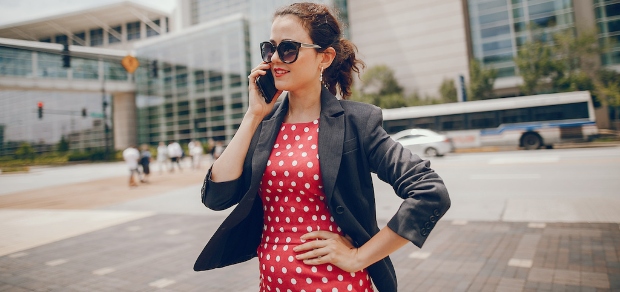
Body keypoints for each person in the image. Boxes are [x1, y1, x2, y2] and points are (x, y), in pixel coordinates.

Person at [194, 3, 450, 292]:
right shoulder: (263, 125)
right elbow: (217, 196)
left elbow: (430, 192)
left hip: (337, 285)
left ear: (324, 57)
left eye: (288, 48)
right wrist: (253, 115)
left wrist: (359, 257)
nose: (275, 58)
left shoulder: (357, 123)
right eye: (270, 48)